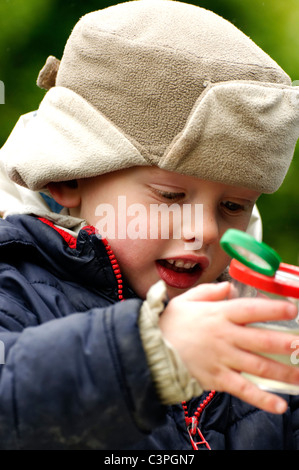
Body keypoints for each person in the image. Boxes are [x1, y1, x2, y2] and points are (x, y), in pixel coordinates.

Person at [0, 0, 299, 450]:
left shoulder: (250, 328)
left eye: (234, 205)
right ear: (67, 177)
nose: (207, 231)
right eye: (171, 197)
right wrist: (146, 355)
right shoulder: (14, 288)